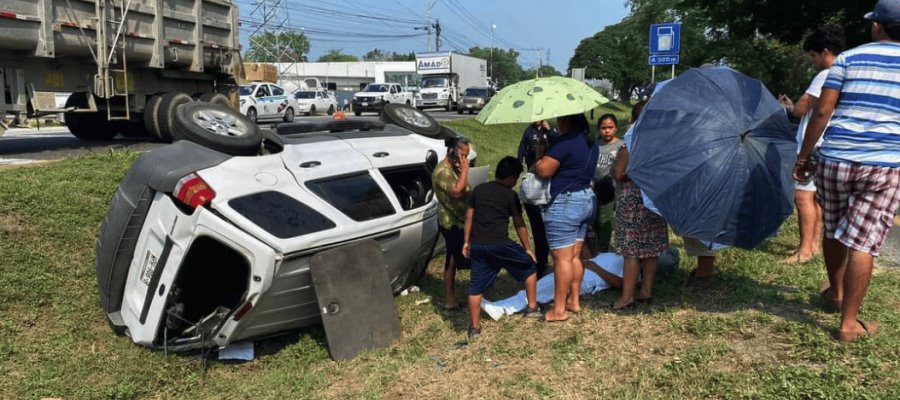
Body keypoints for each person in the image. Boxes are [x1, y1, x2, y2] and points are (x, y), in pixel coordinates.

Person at [794, 1, 900, 342]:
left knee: (834, 230)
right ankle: (848, 323)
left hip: (836, 158)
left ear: (878, 27)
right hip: (883, 163)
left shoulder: (848, 58)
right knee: (864, 243)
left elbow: (822, 111)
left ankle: (837, 292)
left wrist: (804, 157)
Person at [778, 26, 845, 265]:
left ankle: (804, 250)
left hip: (814, 143)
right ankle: (814, 246)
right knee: (816, 198)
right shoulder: (847, 70)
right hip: (830, 144)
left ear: (825, 52)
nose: (812, 60)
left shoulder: (826, 75)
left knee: (802, 197)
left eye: (813, 55)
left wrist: (786, 107)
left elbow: (800, 110)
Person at [462, 156, 540, 339]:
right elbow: (519, 224)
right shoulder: (510, 195)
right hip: (500, 244)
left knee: (475, 287)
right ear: (512, 178)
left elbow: (469, 217)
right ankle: (532, 307)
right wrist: (528, 248)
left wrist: (466, 241)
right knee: (529, 267)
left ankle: (474, 328)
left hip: (478, 245)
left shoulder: (479, 190)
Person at [481, 250, 681, 320]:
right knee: (543, 287)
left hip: (589, 279)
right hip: (584, 271)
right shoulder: (623, 256)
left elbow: (619, 284)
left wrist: (593, 266)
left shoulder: (635, 270)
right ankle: (503, 305)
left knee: (541, 290)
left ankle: (501, 308)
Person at [534, 113, 600, 321]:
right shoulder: (591, 141)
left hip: (566, 202)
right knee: (574, 256)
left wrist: (539, 159)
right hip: (586, 198)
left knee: (561, 259)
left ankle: (559, 309)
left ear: (566, 121)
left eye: (559, 119)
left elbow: (544, 170)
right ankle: (574, 300)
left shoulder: (566, 142)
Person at [611, 101, 669, 310]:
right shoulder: (664, 142)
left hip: (633, 203)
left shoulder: (631, 142)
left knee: (632, 251)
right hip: (654, 200)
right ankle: (645, 290)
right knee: (651, 249)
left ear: (634, 119)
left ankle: (626, 297)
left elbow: (619, 173)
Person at [432, 136, 473, 311]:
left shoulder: (453, 168)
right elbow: (457, 192)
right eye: (463, 155)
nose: (465, 160)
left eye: (467, 156)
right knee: (456, 258)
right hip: (453, 223)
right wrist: (464, 171)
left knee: (452, 258)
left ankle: (450, 299)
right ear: (452, 151)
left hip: (461, 220)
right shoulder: (443, 172)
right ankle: (452, 299)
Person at [517, 120, 556, 277]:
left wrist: (550, 131)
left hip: (545, 202)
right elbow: (521, 148)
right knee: (540, 234)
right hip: (536, 202)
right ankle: (542, 264)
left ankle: (545, 263)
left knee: (545, 234)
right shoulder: (529, 131)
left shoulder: (551, 131)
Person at [588, 114, 623, 255]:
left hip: (610, 190)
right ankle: (596, 244)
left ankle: (603, 249)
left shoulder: (621, 146)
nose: (607, 131)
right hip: (592, 188)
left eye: (610, 127)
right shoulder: (595, 144)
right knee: (593, 218)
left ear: (616, 128)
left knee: (605, 219)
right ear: (598, 129)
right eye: (603, 128)